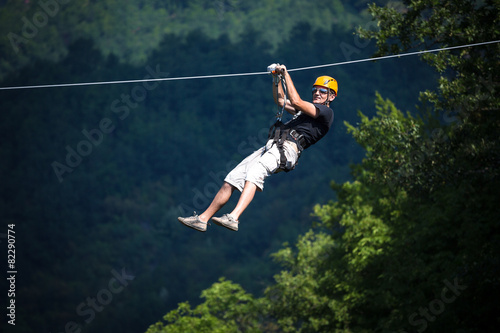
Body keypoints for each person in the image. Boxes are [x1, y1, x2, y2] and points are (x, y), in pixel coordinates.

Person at [178, 64, 337, 232]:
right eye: (315, 90)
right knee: (232, 178)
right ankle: (202, 219)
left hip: (288, 150)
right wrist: (276, 79)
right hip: (273, 146)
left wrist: (286, 74)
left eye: (322, 91)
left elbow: (296, 100)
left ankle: (234, 217)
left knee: (255, 173)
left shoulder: (326, 113)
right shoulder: (305, 112)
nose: (317, 93)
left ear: (331, 97)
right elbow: (281, 100)